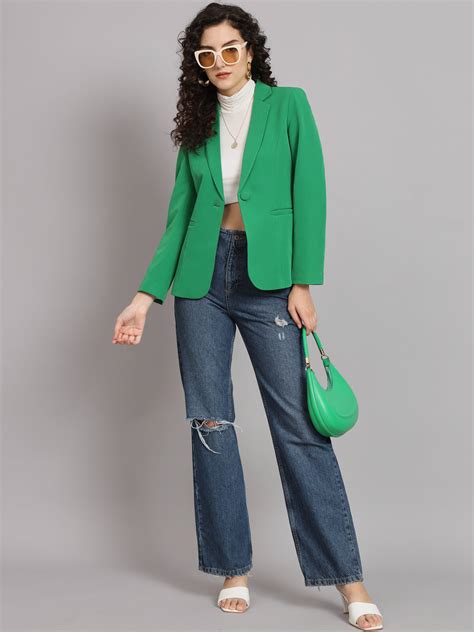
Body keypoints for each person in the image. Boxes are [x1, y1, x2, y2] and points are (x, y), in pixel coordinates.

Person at [113, 4, 383, 630]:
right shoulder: (197, 123)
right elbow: (180, 216)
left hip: (269, 282)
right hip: (200, 280)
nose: (220, 62)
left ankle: (348, 578)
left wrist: (302, 282)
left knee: (299, 426)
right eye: (207, 55)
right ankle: (232, 568)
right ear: (198, 64)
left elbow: (310, 192)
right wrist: (144, 298)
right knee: (211, 422)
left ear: (250, 50)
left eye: (230, 49)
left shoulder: (288, 106)